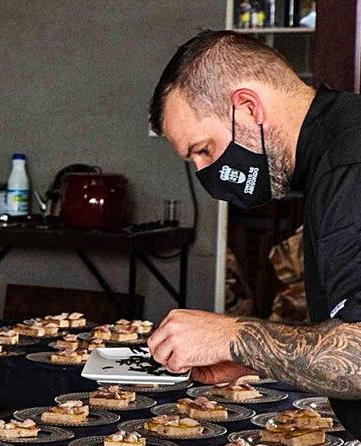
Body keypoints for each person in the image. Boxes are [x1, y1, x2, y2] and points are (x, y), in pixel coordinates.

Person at [145, 30, 361, 419]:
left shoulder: (350, 170)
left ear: (247, 107)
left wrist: (234, 337)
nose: (206, 174)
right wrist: (259, 357)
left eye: (204, 150)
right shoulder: (337, 145)